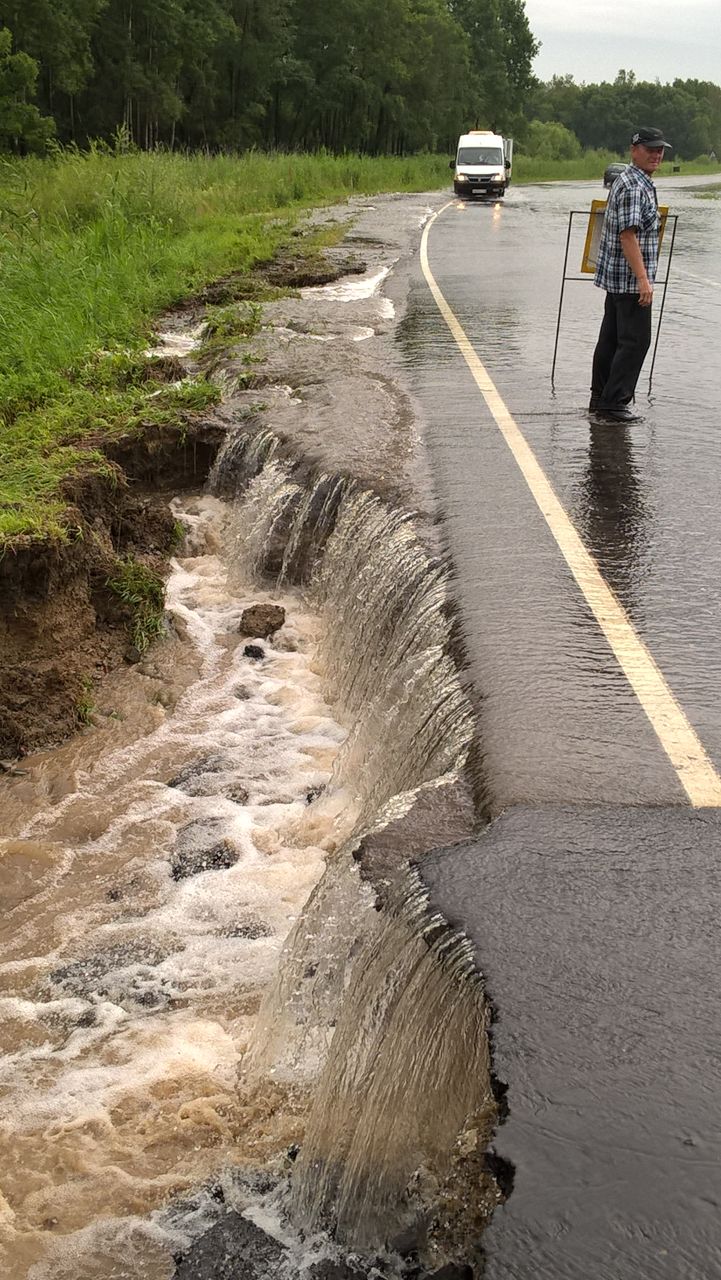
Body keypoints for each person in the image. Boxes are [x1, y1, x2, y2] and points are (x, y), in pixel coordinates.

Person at [590, 126, 672, 422]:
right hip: (628, 280)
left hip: (619, 279)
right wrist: (643, 280)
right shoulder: (635, 186)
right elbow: (628, 236)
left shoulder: (633, 179)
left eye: (660, 149)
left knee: (611, 339)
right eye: (650, 149)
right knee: (636, 341)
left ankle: (600, 398)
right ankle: (614, 403)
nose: (657, 154)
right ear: (634, 149)